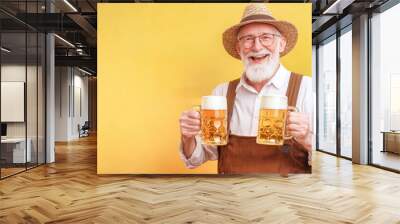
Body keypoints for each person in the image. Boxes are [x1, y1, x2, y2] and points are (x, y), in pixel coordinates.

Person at [178, 4, 313, 174]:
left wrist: (307, 138)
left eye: (266, 37)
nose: (257, 47)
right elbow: (197, 158)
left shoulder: (307, 88)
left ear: (282, 44)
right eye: (248, 39)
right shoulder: (221, 93)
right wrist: (187, 137)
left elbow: (326, 169)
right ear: (238, 49)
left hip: (286, 198)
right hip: (232, 197)